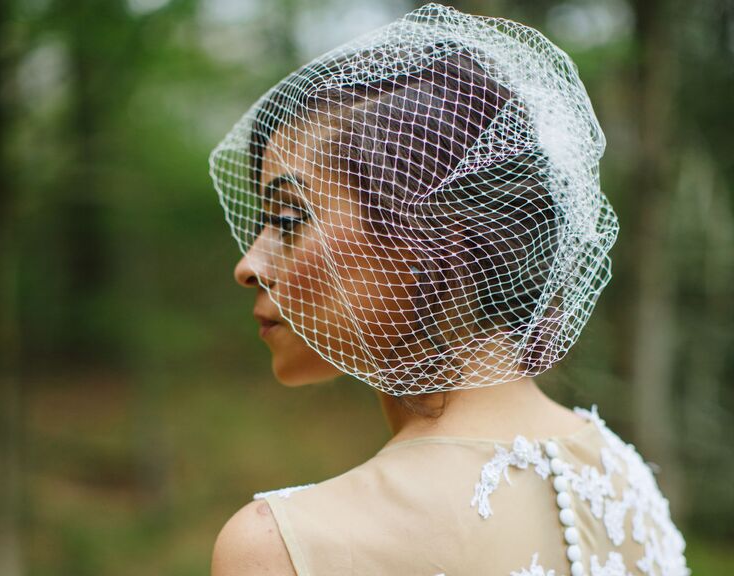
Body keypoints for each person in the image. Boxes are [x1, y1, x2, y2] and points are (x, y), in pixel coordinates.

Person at [208, 4, 689, 575]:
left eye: (289, 219)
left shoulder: (288, 547)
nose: (248, 263)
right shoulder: (625, 480)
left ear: (432, 232)